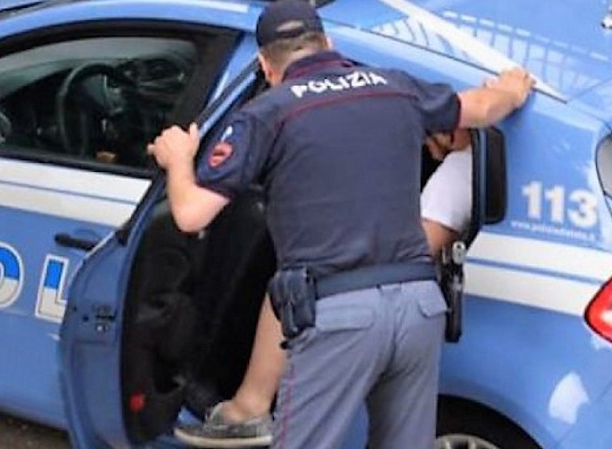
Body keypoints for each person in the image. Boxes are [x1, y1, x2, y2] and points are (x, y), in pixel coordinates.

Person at [148, 0, 534, 447]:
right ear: (328, 43)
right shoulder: (396, 87)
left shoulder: (266, 114)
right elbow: (482, 109)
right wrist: (513, 89)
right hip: (419, 307)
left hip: (338, 316)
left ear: (266, 66)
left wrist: (179, 159)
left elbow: (191, 213)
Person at [172, 129, 474, 448]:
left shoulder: (457, 172)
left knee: (292, 282)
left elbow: (410, 251)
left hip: (367, 310)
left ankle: (250, 407)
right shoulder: (475, 164)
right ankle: (249, 406)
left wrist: (178, 160)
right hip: (419, 315)